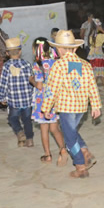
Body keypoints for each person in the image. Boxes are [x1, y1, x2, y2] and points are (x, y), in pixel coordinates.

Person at [42, 30, 101, 178]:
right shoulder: (85, 64)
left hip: (66, 107)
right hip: (81, 107)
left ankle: (80, 166)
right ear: (75, 48)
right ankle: (85, 152)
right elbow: (92, 86)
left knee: (69, 138)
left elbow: (51, 89)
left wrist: (46, 107)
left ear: (59, 49)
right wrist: (96, 105)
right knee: (71, 131)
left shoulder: (58, 66)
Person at [31, 38, 67, 166]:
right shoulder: (56, 62)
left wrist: (31, 80)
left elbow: (39, 85)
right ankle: (63, 149)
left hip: (42, 101)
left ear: (35, 50)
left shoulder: (38, 65)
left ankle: (47, 155)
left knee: (44, 129)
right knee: (54, 128)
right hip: (54, 99)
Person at [0, 38, 35, 148]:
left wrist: (1, 97)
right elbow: (32, 80)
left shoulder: (6, 66)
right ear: (20, 51)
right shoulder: (27, 64)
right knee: (27, 120)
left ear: (7, 53)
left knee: (12, 118)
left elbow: (3, 83)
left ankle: (19, 132)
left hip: (14, 100)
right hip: (27, 100)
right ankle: (29, 140)